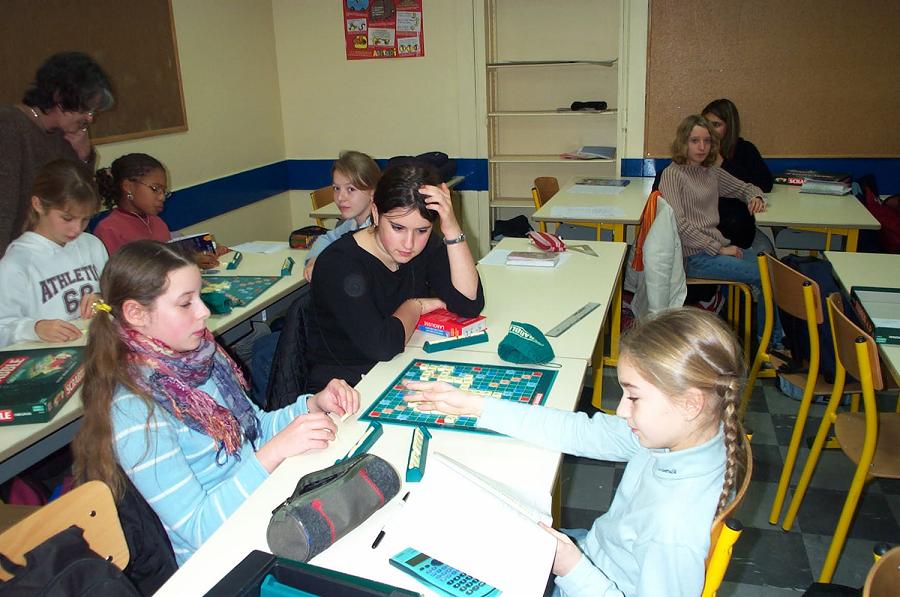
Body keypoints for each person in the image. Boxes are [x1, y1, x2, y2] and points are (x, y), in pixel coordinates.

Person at [404, 308, 747, 597]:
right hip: (590, 556)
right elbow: (580, 432)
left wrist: (571, 566)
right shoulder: (691, 434)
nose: (623, 411)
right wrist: (474, 405)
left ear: (690, 403)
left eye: (634, 397)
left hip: (584, 578)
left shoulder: (674, 530)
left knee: (426, 561)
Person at [71, 240, 359, 565]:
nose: (204, 311)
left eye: (199, 296)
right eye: (185, 303)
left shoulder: (200, 360)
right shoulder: (136, 412)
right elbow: (199, 529)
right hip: (220, 556)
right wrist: (273, 453)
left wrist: (312, 405)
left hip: (263, 509)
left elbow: (255, 430)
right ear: (136, 313)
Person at [306, 162, 484, 392]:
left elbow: (468, 303)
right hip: (344, 386)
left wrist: (451, 228)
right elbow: (383, 345)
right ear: (376, 214)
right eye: (397, 228)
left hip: (400, 367)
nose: (409, 244)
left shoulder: (425, 247)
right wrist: (416, 305)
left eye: (422, 230)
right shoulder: (340, 263)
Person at [659, 114, 783, 345]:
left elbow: (744, 187)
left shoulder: (711, 173)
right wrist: (718, 248)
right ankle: (772, 345)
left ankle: (772, 341)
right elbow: (679, 226)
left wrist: (754, 195)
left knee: (774, 271)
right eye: (695, 141)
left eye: (706, 141)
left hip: (714, 250)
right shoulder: (672, 175)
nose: (702, 147)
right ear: (683, 142)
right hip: (693, 256)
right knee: (766, 277)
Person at [0, 52, 113, 256]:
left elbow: (79, 196)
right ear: (60, 98)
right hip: (18, 260)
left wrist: (84, 155)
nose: (90, 118)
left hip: (55, 257)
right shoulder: (9, 125)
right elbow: (4, 207)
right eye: (86, 109)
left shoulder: (65, 134)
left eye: (93, 112)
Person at [0, 160, 108, 348]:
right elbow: (3, 328)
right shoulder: (17, 263)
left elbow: (116, 298)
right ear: (38, 205)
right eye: (67, 218)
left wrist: (103, 299)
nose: (77, 229)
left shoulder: (92, 245)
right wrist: (36, 328)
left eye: (85, 220)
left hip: (98, 349)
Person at [94, 153, 227, 267]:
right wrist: (187, 261)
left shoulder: (157, 222)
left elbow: (169, 255)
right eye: (155, 188)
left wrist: (208, 251)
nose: (162, 197)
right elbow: (127, 277)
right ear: (128, 187)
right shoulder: (108, 230)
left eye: (164, 191)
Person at [701, 99, 774, 249]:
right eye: (706, 123)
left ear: (730, 127)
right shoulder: (696, 149)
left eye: (716, 125)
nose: (710, 130)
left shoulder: (745, 150)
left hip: (738, 226)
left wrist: (721, 162)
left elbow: (764, 184)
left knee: (766, 251)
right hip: (706, 228)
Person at [304, 150, 381, 281]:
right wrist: (314, 259)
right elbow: (327, 238)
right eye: (336, 188)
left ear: (372, 192)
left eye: (351, 189)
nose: (340, 197)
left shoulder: (379, 229)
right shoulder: (353, 224)